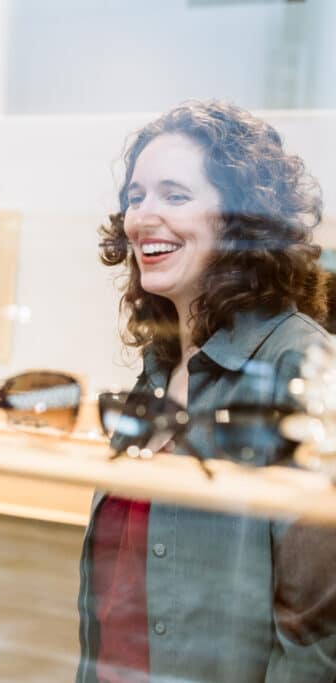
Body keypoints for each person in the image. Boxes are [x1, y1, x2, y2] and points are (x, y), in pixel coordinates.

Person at [78, 100, 335, 682]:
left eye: (175, 194)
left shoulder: (302, 366)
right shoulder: (158, 366)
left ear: (242, 219)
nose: (142, 217)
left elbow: (318, 640)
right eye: (136, 197)